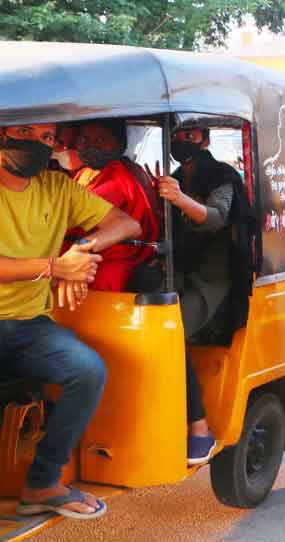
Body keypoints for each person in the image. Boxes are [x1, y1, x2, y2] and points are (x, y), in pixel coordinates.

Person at [0, 122, 141, 519]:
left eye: (46, 138)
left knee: (88, 370)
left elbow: (126, 225)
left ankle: (42, 481)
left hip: (29, 324)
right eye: (25, 131)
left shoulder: (56, 187)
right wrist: (54, 267)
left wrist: (81, 250)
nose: (35, 143)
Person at [153, 126, 244, 465]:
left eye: (191, 135)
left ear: (205, 140)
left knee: (169, 336)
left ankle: (200, 429)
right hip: (177, 271)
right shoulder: (174, 176)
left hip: (213, 277)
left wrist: (179, 199)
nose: (183, 141)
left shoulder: (223, 176)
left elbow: (216, 218)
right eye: (179, 135)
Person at [64, 119, 159, 291]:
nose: (91, 146)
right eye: (85, 139)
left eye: (101, 140)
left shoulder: (122, 175)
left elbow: (74, 214)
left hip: (111, 259)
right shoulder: (84, 173)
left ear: (120, 143)